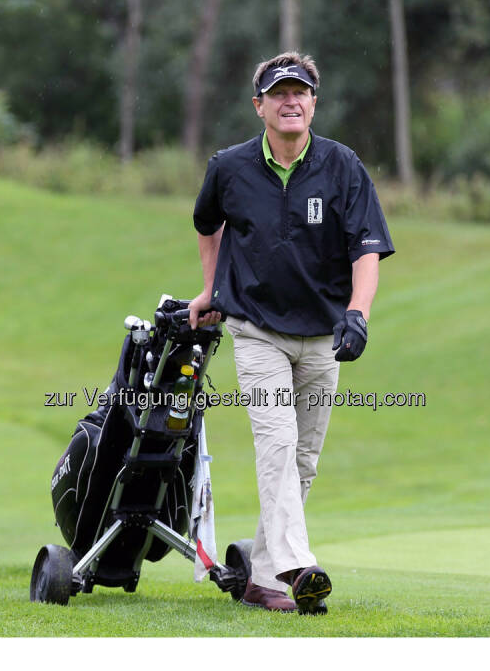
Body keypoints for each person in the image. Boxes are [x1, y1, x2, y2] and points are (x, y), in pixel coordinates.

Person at [188, 52, 394, 614]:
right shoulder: (229, 167)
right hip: (257, 330)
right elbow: (208, 224)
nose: (290, 101)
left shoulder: (342, 165)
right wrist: (210, 289)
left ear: (313, 103)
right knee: (276, 443)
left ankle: (260, 577)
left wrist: (359, 312)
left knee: (302, 459)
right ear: (259, 106)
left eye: (300, 92)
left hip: (323, 333)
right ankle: (299, 566)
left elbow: (368, 247)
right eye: (278, 93)